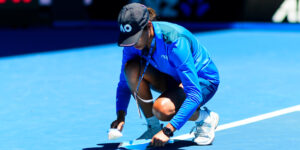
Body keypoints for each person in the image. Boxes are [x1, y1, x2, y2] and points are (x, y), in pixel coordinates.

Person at [110, 2, 220, 147]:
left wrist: (168, 130)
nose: (132, 43)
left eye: (135, 37)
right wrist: (120, 115)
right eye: (129, 38)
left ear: (149, 26)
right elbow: (124, 83)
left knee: (162, 109)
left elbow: (194, 93)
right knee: (131, 69)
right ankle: (153, 127)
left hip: (203, 81)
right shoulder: (132, 44)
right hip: (172, 77)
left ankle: (205, 118)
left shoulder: (175, 42)